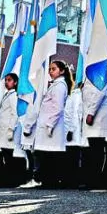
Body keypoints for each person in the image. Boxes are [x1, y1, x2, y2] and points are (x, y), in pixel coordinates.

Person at [28, 60, 72, 188]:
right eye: (50, 69)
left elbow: (58, 108)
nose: (50, 71)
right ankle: (47, 180)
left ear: (62, 71)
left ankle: (50, 181)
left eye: (54, 69)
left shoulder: (60, 86)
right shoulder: (55, 85)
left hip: (52, 126)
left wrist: (50, 124)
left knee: (50, 155)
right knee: (46, 154)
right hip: (48, 125)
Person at [81, 61, 107, 189]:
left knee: (97, 147)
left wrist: (91, 112)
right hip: (97, 111)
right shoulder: (99, 64)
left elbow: (100, 90)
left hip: (99, 111)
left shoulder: (101, 64)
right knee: (96, 146)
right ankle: (96, 178)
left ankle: (97, 179)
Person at [0, 74, 25, 187]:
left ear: (15, 82)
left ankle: (10, 181)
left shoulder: (13, 96)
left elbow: (14, 113)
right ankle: (6, 180)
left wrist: (10, 129)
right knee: (5, 156)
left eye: (9, 80)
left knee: (9, 157)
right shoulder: (6, 95)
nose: (6, 82)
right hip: (2, 130)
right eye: (6, 80)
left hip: (8, 130)